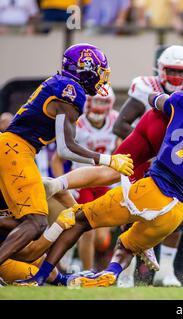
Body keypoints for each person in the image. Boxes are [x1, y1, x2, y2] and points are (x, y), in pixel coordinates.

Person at [15, 78, 183, 287]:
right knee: (126, 246)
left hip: (151, 189)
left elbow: (153, 99)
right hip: (175, 212)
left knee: (79, 220)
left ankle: (40, 277)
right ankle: (112, 272)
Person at [0, 43, 133, 273]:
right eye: (100, 73)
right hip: (15, 150)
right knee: (36, 222)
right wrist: (107, 160)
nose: (102, 79)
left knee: (20, 221)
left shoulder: (62, 84)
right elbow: (66, 149)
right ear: (86, 69)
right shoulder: (70, 91)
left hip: (14, 149)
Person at [112, 44, 183, 286]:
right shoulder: (145, 86)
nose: (176, 77)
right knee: (131, 211)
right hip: (145, 159)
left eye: (181, 71)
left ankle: (166, 271)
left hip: (175, 161)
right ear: (160, 70)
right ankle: (125, 271)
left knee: (176, 212)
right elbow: (120, 125)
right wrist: (148, 143)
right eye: (171, 71)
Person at [51, 87, 119, 271]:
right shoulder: (78, 122)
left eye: (103, 102)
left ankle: (77, 258)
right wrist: (64, 185)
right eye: (96, 101)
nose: (99, 106)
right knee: (86, 231)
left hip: (105, 182)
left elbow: (120, 151)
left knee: (101, 240)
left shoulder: (116, 121)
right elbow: (56, 159)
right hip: (83, 183)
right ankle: (86, 273)